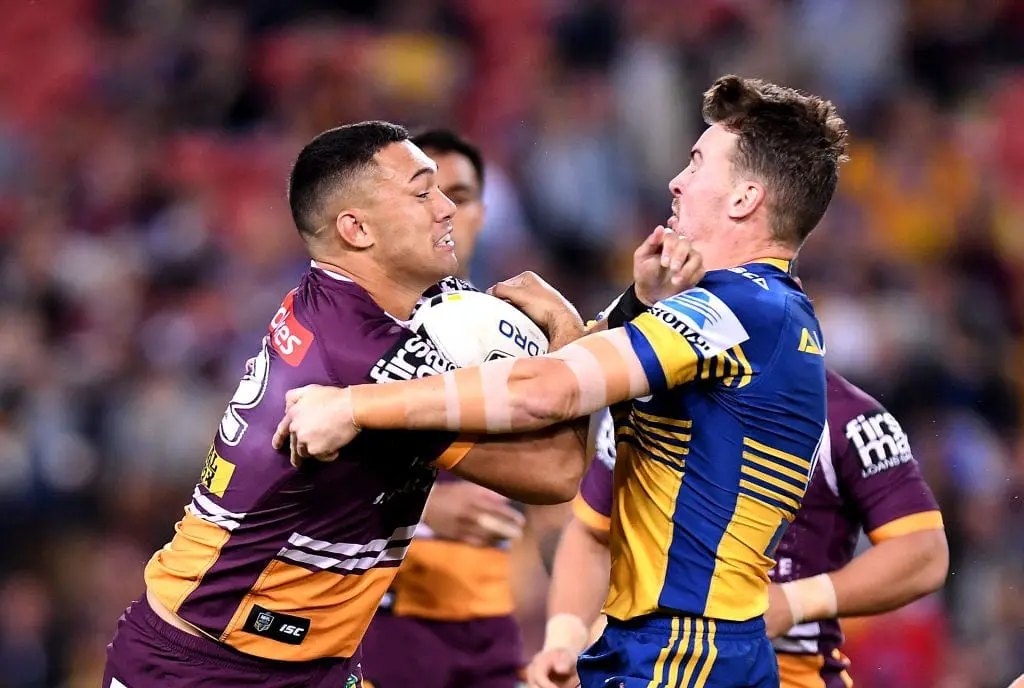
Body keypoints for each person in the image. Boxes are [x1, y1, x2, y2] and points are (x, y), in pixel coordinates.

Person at [274, 74, 850, 688]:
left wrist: (354, 406)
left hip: (685, 652)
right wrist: (631, 306)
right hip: (675, 641)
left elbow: (550, 391)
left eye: (697, 162)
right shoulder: (755, 309)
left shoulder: (741, 309)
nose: (677, 182)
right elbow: (598, 369)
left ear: (744, 199)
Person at [102, 121, 590, 688]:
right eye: (422, 193)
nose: (446, 209)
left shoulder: (396, 306)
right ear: (356, 229)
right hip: (205, 667)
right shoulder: (366, 355)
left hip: (316, 662)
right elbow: (557, 471)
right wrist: (566, 329)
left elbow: (556, 387)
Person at [528, 367, 948, 688]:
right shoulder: (648, 403)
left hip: (788, 670)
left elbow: (924, 552)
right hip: (648, 664)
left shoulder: (849, 418)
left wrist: (794, 603)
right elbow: (591, 534)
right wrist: (564, 641)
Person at [360, 128, 547, 688]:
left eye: (459, 197)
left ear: (482, 215)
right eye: (423, 195)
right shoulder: (351, 326)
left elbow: (562, 485)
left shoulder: (517, 334)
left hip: (489, 630)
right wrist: (421, 512)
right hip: (377, 624)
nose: (442, 212)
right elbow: (272, 469)